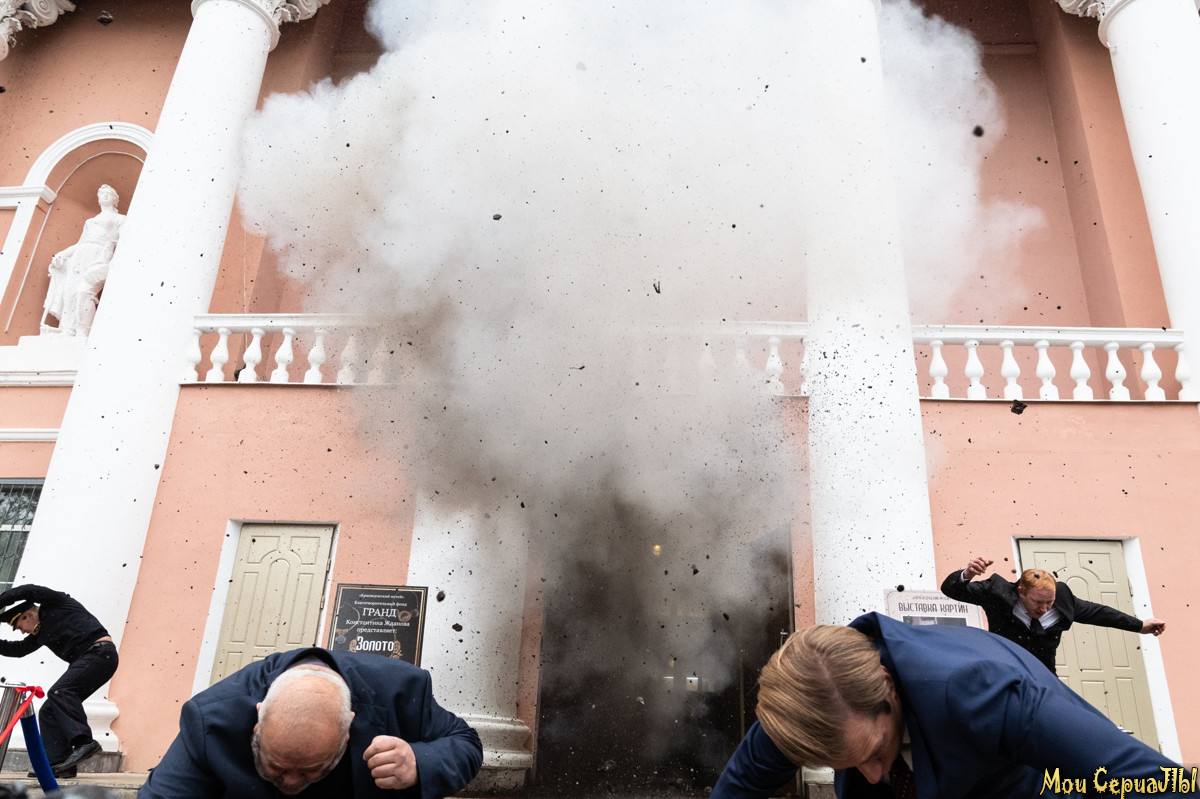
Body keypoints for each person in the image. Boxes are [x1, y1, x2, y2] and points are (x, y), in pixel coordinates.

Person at [711, 612, 1186, 799]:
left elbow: (1158, 783)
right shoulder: (807, 704)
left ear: (885, 686)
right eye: (847, 763)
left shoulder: (980, 693)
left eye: (873, 751)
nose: (871, 775)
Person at [137, 646, 483, 798]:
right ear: (258, 719)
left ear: (348, 729)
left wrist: (419, 763)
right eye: (275, 765)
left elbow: (466, 743)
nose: (290, 781)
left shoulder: (400, 691)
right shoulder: (210, 720)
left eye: (311, 769)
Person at [940, 556, 1166, 673]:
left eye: (1049, 602)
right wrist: (967, 573)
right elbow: (951, 590)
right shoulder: (996, 592)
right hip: (1002, 668)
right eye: (1038, 602)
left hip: (1043, 673)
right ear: (1021, 592)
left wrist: (1140, 625)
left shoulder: (1063, 601)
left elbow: (1099, 613)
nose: (1044, 609)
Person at [0, 585, 118, 778]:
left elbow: (27, 590)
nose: (22, 632)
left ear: (27, 615)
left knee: (60, 691)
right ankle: (60, 764)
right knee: (49, 710)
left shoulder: (56, 603)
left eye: (20, 627)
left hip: (100, 653)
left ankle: (84, 742)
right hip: (89, 660)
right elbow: (18, 650)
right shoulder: (40, 634)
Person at [41, 183, 125, 337]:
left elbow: (124, 242)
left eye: (109, 193)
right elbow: (80, 244)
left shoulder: (120, 219)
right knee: (68, 292)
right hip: (80, 257)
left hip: (100, 256)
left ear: (115, 199)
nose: (105, 195)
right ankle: (68, 330)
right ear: (98, 198)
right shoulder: (89, 221)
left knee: (84, 291)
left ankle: (83, 332)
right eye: (102, 193)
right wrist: (62, 254)